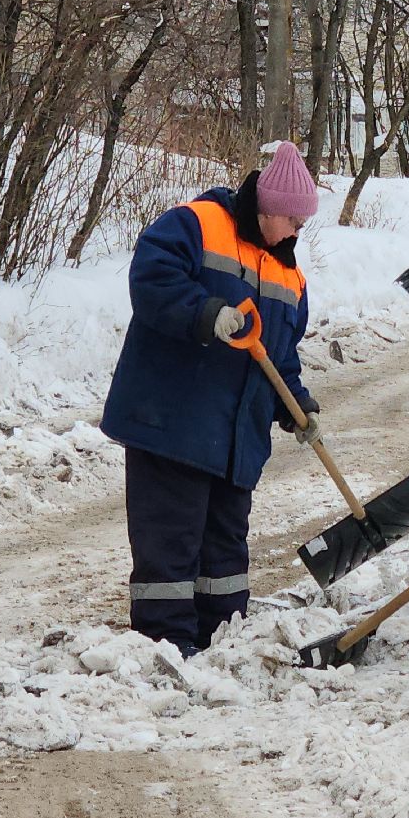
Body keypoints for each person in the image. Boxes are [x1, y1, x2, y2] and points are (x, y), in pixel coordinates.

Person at [101, 141, 321, 659]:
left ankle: (222, 643)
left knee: (224, 549)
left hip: (234, 440)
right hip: (172, 424)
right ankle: (166, 650)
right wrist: (205, 312)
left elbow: (280, 357)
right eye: (292, 218)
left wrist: (297, 406)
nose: (297, 231)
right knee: (171, 544)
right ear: (267, 207)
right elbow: (151, 278)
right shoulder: (197, 224)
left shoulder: (290, 278)